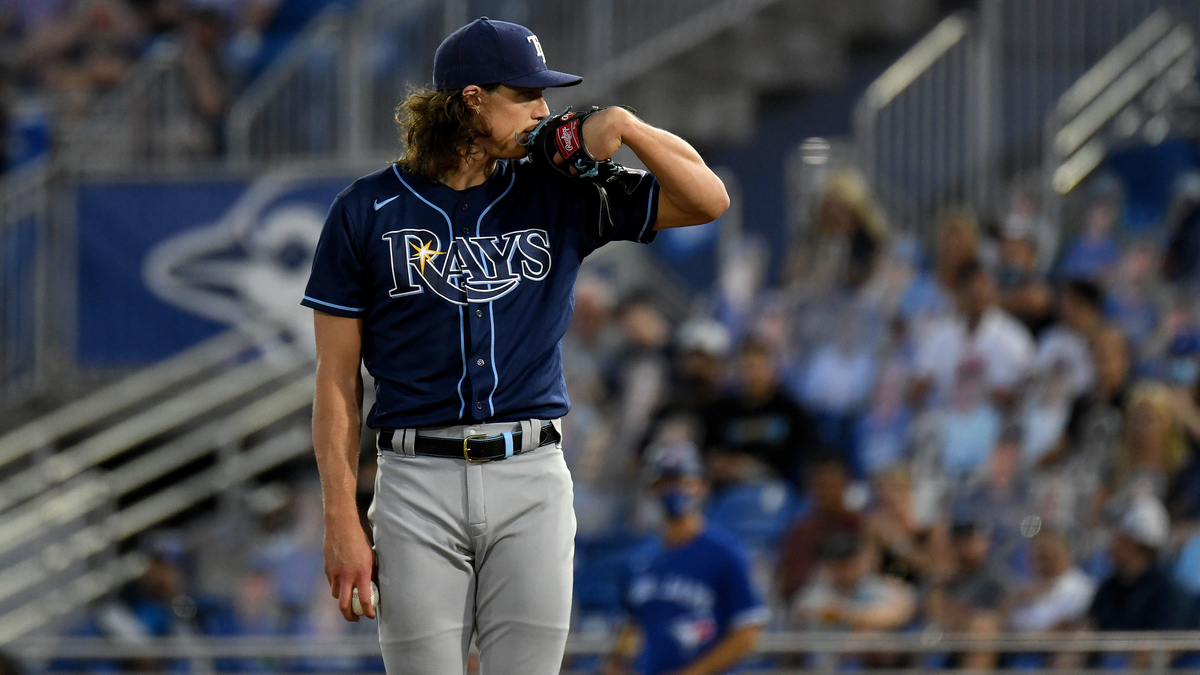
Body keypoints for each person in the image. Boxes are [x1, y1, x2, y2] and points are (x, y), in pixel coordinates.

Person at [304, 17, 729, 675]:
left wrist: (627, 126)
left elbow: (708, 199)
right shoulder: (368, 209)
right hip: (416, 478)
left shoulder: (558, 189)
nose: (543, 110)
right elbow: (335, 379)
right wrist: (340, 515)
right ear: (472, 100)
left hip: (530, 472)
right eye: (526, 95)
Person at [605, 442, 767, 675]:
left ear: (702, 486)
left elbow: (747, 634)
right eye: (665, 482)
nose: (674, 490)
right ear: (652, 488)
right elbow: (629, 628)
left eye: (682, 481)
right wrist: (616, 664)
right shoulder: (637, 558)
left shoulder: (726, 553)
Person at [701, 337, 821, 490]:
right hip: (729, 489)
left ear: (773, 368)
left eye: (759, 366)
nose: (753, 374)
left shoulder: (791, 410)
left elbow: (805, 453)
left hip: (777, 488)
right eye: (748, 367)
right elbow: (710, 450)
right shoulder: (721, 410)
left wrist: (757, 465)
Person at [778, 457, 861, 602]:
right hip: (816, 601)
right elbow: (790, 583)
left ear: (845, 486)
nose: (825, 493)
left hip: (859, 597)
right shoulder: (802, 531)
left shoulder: (859, 524)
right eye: (820, 487)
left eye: (831, 486)